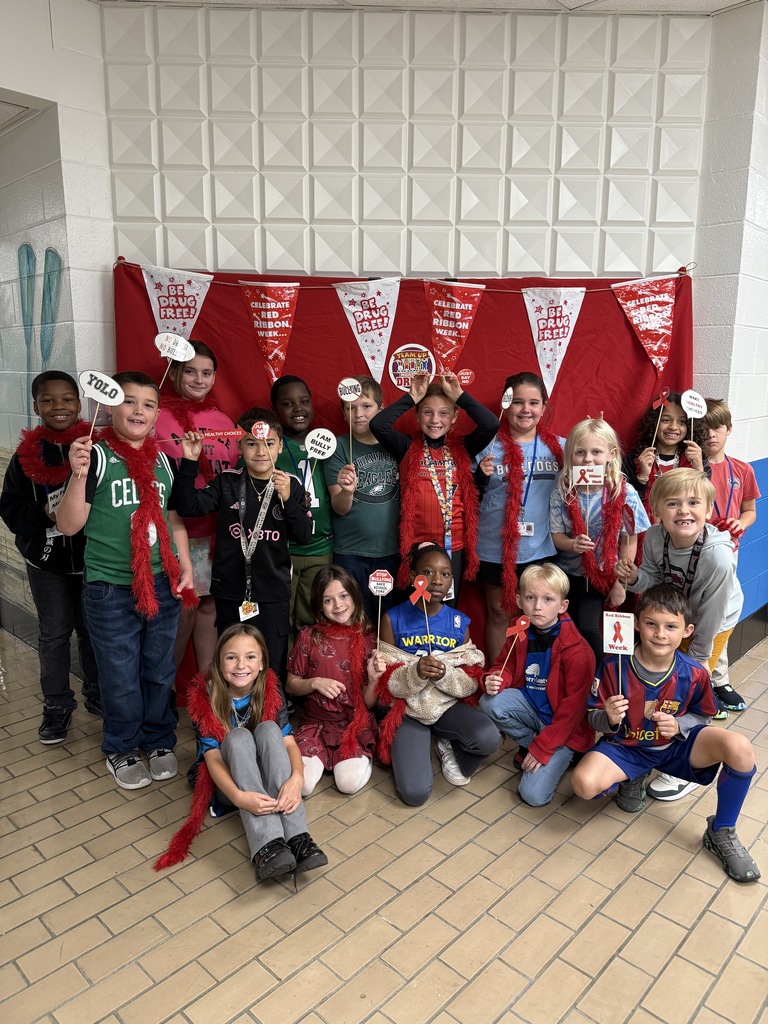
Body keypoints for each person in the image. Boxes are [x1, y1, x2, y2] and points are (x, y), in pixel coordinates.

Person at [55, 371, 195, 790]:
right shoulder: (94, 456)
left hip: (161, 584)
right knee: (118, 673)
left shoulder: (165, 461)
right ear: (111, 406)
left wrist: (184, 563)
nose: (138, 410)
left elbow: (172, 517)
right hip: (109, 588)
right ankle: (120, 746)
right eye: (129, 401)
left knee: (157, 669)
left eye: (148, 404)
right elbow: (68, 526)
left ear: (156, 414)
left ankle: (157, 740)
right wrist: (78, 475)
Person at [572, 585, 760, 884]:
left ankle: (721, 830)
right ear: (636, 624)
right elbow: (591, 717)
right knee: (583, 784)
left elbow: (705, 714)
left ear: (686, 631)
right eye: (651, 624)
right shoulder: (612, 665)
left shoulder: (694, 672)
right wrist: (607, 717)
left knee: (739, 747)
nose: (660, 634)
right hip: (626, 747)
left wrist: (681, 725)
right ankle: (632, 776)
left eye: (670, 626)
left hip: (674, 747)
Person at [154, 624, 327, 883]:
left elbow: (289, 742)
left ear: (261, 664)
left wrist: (296, 780)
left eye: (250, 657)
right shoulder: (204, 697)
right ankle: (267, 846)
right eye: (231, 657)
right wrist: (238, 797)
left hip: (264, 773)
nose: (240, 665)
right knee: (239, 737)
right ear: (219, 663)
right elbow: (212, 759)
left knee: (270, 728)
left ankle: (298, 838)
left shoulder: (270, 687)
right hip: (229, 784)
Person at [616, 468, 745, 801]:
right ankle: (650, 740)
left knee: (691, 688)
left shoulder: (717, 556)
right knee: (663, 680)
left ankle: (690, 765)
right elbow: (655, 583)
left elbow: (710, 615)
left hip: (712, 619)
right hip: (676, 614)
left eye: (693, 503)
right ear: (657, 511)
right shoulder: (657, 537)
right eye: (672, 504)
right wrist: (633, 579)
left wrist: (698, 660)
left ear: (708, 510)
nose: (684, 511)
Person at [175, 408, 311, 684]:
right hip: (230, 590)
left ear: (280, 445)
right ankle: (229, 715)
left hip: (272, 591)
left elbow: (304, 535)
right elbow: (188, 507)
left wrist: (288, 500)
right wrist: (190, 461)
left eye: (269, 444)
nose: (261, 452)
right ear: (239, 445)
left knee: (270, 662)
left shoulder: (290, 484)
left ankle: (271, 717)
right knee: (232, 659)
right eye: (252, 443)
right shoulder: (227, 482)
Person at [0, 371, 100, 743]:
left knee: (92, 631)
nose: (59, 407)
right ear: (36, 406)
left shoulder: (96, 449)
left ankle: (97, 693)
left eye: (68, 399)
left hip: (94, 561)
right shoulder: (25, 458)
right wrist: (44, 513)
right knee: (54, 633)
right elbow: (10, 510)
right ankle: (57, 705)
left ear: (80, 403)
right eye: (48, 400)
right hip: (47, 564)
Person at [374, 543, 498, 805]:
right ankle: (419, 746)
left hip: (446, 706)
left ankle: (448, 745)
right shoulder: (392, 619)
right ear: (411, 577)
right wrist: (415, 672)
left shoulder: (459, 621)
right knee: (415, 794)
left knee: (489, 738)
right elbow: (385, 685)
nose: (437, 581)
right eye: (428, 573)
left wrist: (444, 674)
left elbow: (469, 680)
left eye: (445, 574)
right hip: (407, 709)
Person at [370, 371, 498, 601]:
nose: (435, 420)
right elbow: (378, 425)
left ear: (454, 417)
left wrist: (459, 395)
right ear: (418, 416)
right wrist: (411, 397)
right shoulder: (406, 447)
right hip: (416, 546)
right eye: (427, 412)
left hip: (454, 545)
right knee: (416, 608)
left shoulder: (463, 447)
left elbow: (490, 424)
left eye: (443, 413)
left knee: (446, 609)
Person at [480, 564, 595, 807]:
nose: (538, 606)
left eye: (548, 599)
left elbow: (572, 713)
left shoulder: (578, 651)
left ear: (563, 606)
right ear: (519, 600)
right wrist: (495, 678)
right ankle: (532, 744)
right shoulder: (519, 629)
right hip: (532, 708)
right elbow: (506, 664)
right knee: (490, 701)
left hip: (563, 726)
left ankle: (559, 752)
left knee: (533, 796)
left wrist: (544, 747)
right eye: (531, 598)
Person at [155, 341, 237, 673]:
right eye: (190, 371)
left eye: (206, 373)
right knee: (182, 611)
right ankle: (165, 688)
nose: (199, 379)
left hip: (217, 534)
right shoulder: (156, 417)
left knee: (210, 608)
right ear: (174, 372)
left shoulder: (223, 419)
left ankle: (205, 687)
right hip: (176, 535)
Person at [474, 372, 563, 661]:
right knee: (500, 613)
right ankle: (498, 677)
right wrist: (479, 477)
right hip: (493, 547)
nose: (526, 409)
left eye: (534, 403)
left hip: (540, 548)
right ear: (505, 403)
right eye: (518, 402)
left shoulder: (560, 447)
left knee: (541, 617)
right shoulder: (484, 447)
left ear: (544, 407)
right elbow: (466, 496)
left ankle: (537, 678)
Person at [550, 418, 650, 662]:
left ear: (611, 455)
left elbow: (629, 541)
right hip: (568, 575)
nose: (587, 459)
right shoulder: (562, 492)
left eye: (596, 452)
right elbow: (556, 536)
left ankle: (599, 674)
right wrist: (573, 544)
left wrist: (621, 584)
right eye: (580, 452)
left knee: (587, 627)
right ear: (569, 455)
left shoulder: (623, 492)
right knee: (564, 628)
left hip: (604, 575)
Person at [286, 567, 378, 796]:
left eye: (343, 596)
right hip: (315, 723)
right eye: (328, 600)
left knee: (347, 784)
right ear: (319, 605)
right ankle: (323, 756)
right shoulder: (309, 637)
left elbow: (368, 703)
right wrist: (314, 682)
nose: (338, 605)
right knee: (304, 786)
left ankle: (357, 760)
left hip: (353, 724)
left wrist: (375, 680)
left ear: (354, 596)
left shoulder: (369, 638)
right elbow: (291, 685)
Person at [324, 375, 400, 621]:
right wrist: (347, 491)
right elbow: (339, 508)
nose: (359, 413)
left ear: (381, 409)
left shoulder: (397, 445)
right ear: (344, 413)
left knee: (386, 620)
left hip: (391, 552)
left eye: (366, 406)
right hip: (351, 552)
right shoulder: (338, 447)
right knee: (352, 620)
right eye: (351, 408)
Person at [702, 398, 760, 711]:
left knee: (722, 614)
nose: (711, 434)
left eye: (718, 428)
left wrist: (741, 522)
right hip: (696, 553)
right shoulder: (693, 468)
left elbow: (750, 510)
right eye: (705, 429)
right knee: (699, 617)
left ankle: (718, 678)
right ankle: (695, 679)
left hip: (729, 552)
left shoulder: (742, 469)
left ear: (729, 430)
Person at [271, 375, 333, 632]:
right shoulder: (269, 450)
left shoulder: (329, 447)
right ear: (275, 410)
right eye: (288, 403)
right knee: (279, 618)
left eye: (304, 401)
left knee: (312, 620)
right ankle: (280, 671)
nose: (298, 408)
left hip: (320, 548)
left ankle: (306, 672)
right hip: (281, 551)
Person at [622, 392, 708, 523]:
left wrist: (698, 469)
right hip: (644, 534)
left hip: (682, 531)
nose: (673, 427)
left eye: (681, 422)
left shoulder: (698, 460)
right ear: (654, 423)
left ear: (689, 426)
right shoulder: (635, 459)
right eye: (666, 420)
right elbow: (625, 506)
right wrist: (642, 478)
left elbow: (705, 502)